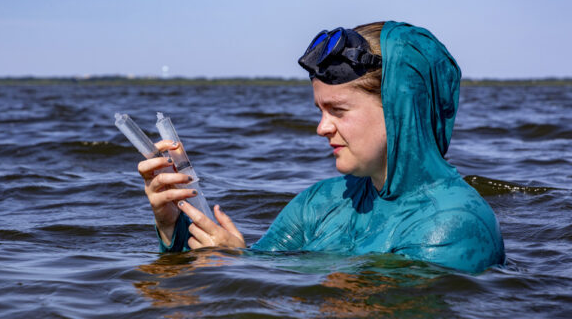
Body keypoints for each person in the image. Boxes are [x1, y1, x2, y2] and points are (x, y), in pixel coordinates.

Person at [138, 21, 506, 273]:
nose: (321, 127)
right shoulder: (322, 202)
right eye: (320, 110)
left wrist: (240, 265)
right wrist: (175, 225)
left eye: (338, 110)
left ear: (401, 107)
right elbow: (249, 270)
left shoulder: (453, 226)